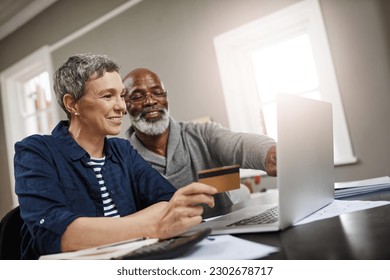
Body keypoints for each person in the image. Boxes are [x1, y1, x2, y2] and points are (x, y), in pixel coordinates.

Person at [14, 54, 216, 259]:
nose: (121, 106)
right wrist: (153, 224)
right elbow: (55, 234)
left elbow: (170, 203)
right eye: (108, 96)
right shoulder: (35, 151)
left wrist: (97, 230)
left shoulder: (123, 150)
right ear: (72, 104)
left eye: (121, 95)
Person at [122, 68, 277, 217]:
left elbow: (238, 144)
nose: (150, 101)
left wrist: (269, 153)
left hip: (224, 232)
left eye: (157, 93)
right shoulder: (122, 160)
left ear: (166, 98)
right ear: (124, 105)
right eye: (137, 96)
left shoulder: (202, 134)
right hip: (167, 241)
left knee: (242, 191)